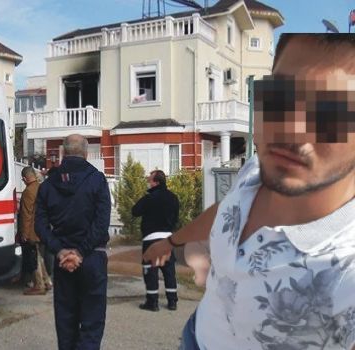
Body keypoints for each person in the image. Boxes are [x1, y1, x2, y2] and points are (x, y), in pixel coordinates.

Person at [144, 33, 355, 349]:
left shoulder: (344, 265)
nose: (291, 130)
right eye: (282, 97)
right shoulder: (255, 170)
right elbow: (227, 209)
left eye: (330, 112)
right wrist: (171, 242)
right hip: (194, 335)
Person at [35, 134, 111, 350]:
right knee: (91, 323)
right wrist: (80, 252)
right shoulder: (97, 180)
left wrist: (60, 251)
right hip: (92, 258)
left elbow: (40, 225)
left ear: (63, 153)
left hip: (63, 260)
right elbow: (101, 223)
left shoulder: (48, 184)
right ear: (86, 153)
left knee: (65, 322)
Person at [132, 170, 179, 311]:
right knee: (169, 270)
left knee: (151, 271)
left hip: (151, 238)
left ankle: (152, 303)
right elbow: (176, 218)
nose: (148, 183)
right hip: (167, 239)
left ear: (156, 182)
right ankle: (172, 302)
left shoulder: (149, 198)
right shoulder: (173, 198)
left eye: (150, 180)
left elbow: (135, 211)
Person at [19, 166, 53, 295]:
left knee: (34, 257)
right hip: (44, 228)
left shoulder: (28, 191)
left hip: (33, 230)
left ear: (25, 178)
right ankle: (47, 281)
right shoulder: (42, 188)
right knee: (39, 256)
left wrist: (24, 233)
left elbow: (26, 215)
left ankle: (39, 285)